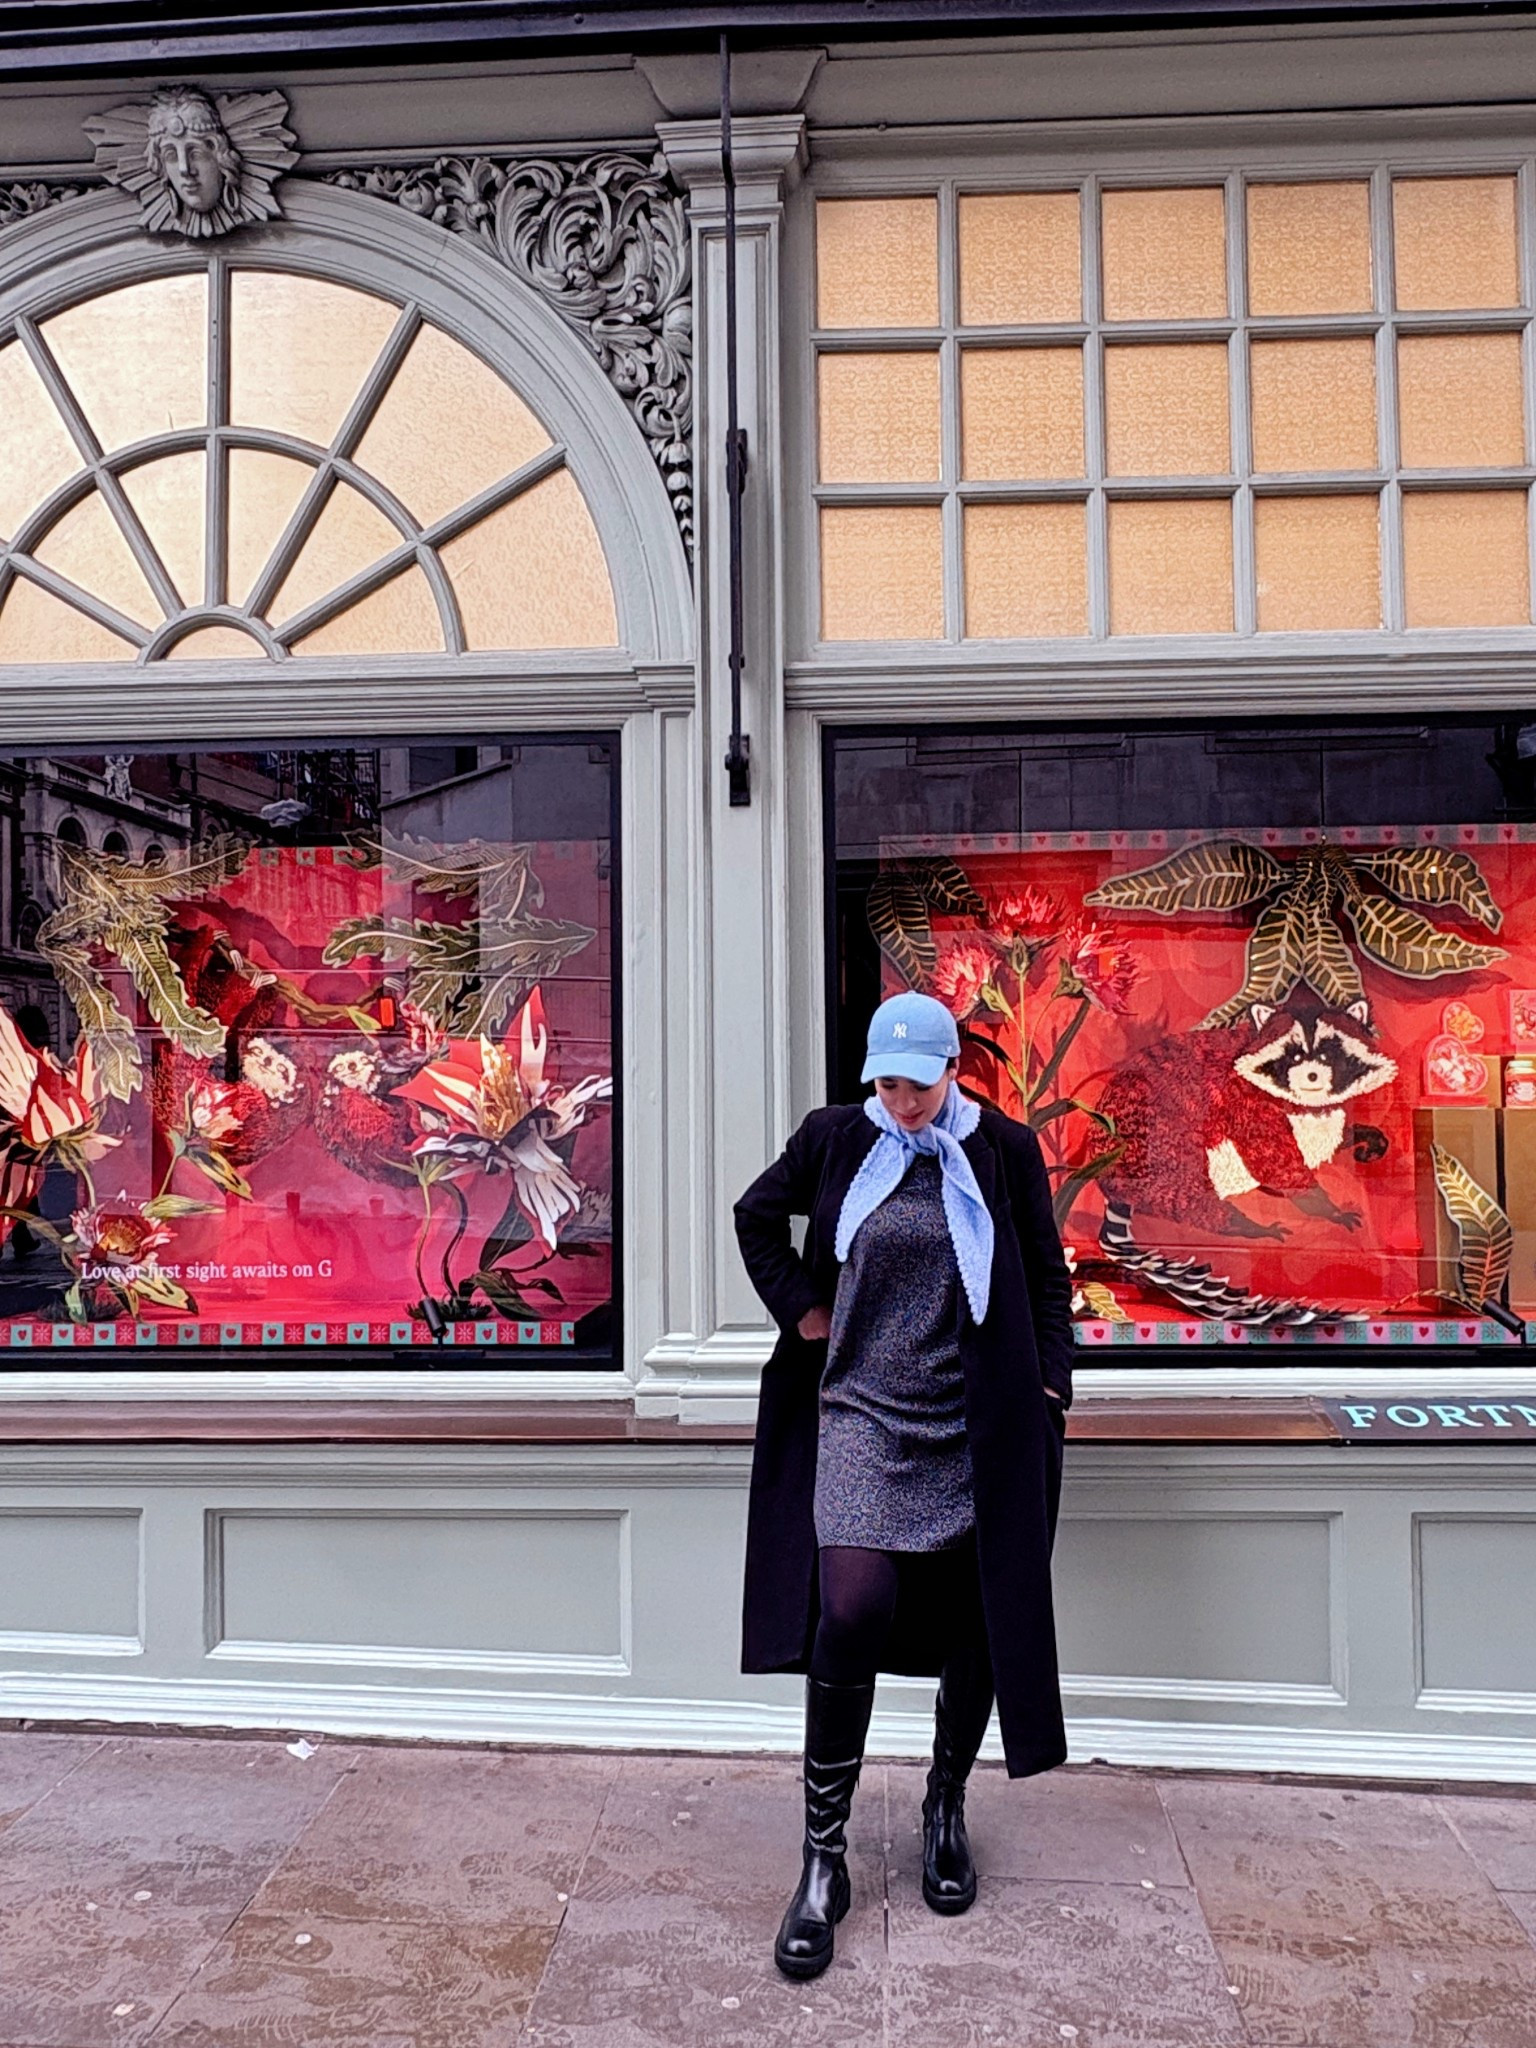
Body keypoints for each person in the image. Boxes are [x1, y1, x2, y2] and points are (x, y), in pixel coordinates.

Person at [734, 989, 1073, 1981]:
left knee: (977, 1618)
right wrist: (801, 1308)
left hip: (974, 1422)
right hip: (861, 1415)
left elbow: (1047, 1279)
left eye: (916, 1084)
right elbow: (757, 1216)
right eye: (885, 1081)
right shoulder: (839, 1138)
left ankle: (944, 1805)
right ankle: (824, 1858)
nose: (900, 1100)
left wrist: (1049, 1386)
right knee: (852, 1604)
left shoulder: (1003, 1149)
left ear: (950, 1070)